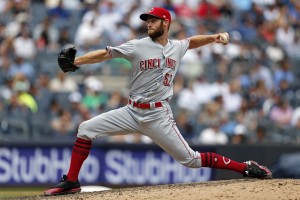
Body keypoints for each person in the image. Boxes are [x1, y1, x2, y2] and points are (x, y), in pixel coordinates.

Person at [44, 7, 272, 196]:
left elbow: (191, 42)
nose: (148, 23)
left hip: (158, 116)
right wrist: (78, 62)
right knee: (85, 129)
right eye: (147, 20)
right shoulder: (138, 45)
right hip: (131, 112)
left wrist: (213, 37)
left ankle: (245, 168)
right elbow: (106, 53)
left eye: (153, 20)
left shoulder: (176, 47)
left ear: (166, 23)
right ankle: (72, 181)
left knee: (191, 160)